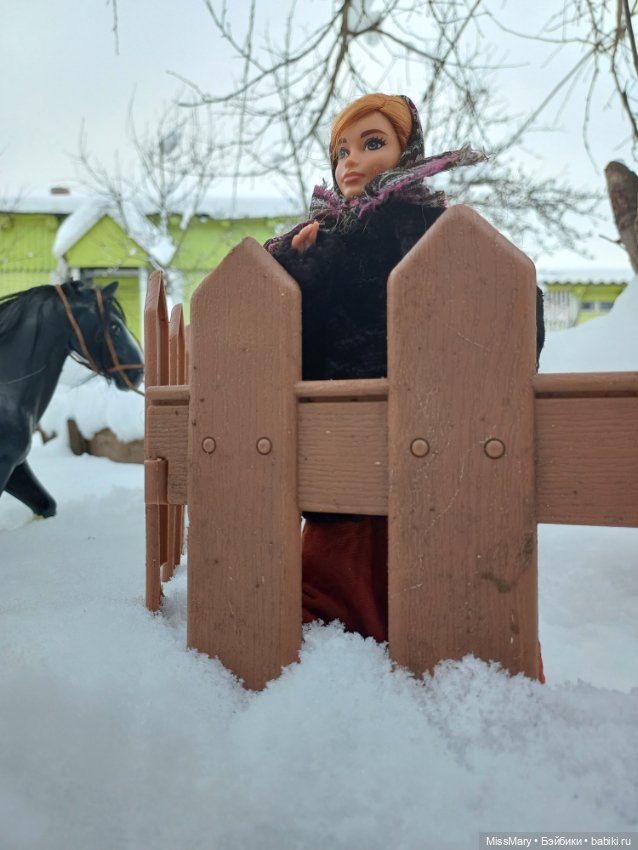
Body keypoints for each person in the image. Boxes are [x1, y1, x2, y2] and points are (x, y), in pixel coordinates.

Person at [266, 94, 545, 679]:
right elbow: (282, 327)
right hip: (337, 452)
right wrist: (297, 268)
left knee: (445, 600)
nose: (350, 160)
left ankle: (446, 697)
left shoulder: (424, 225)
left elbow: (511, 305)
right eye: (341, 149)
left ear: (406, 152)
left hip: (436, 445)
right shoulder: (319, 235)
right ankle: (342, 696)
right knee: (327, 603)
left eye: (372, 144)